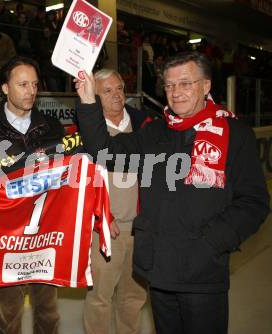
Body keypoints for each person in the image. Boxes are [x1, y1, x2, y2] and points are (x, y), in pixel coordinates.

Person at [74, 51, 270, 334]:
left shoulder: (235, 133)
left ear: (205, 86)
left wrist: (213, 241)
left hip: (203, 273)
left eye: (185, 83)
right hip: (160, 271)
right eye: (169, 85)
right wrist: (88, 101)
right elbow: (105, 152)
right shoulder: (155, 132)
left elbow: (254, 201)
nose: (175, 92)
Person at [0, 56, 64, 334]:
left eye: (34, 84)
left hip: (46, 234)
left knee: (48, 314)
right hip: (5, 239)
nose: (31, 91)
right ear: (5, 88)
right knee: (8, 318)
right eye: (22, 84)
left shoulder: (52, 128)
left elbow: (67, 177)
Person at [82, 69, 148, 334]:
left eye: (119, 88)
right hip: (105, 232)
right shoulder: (86, 134)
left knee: (134, 298)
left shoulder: (146, 124)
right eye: (107, 91)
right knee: (100, 299)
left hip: (142, 229)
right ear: (94, 97)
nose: (117, 95)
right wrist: (99, 217)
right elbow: (78, 186)